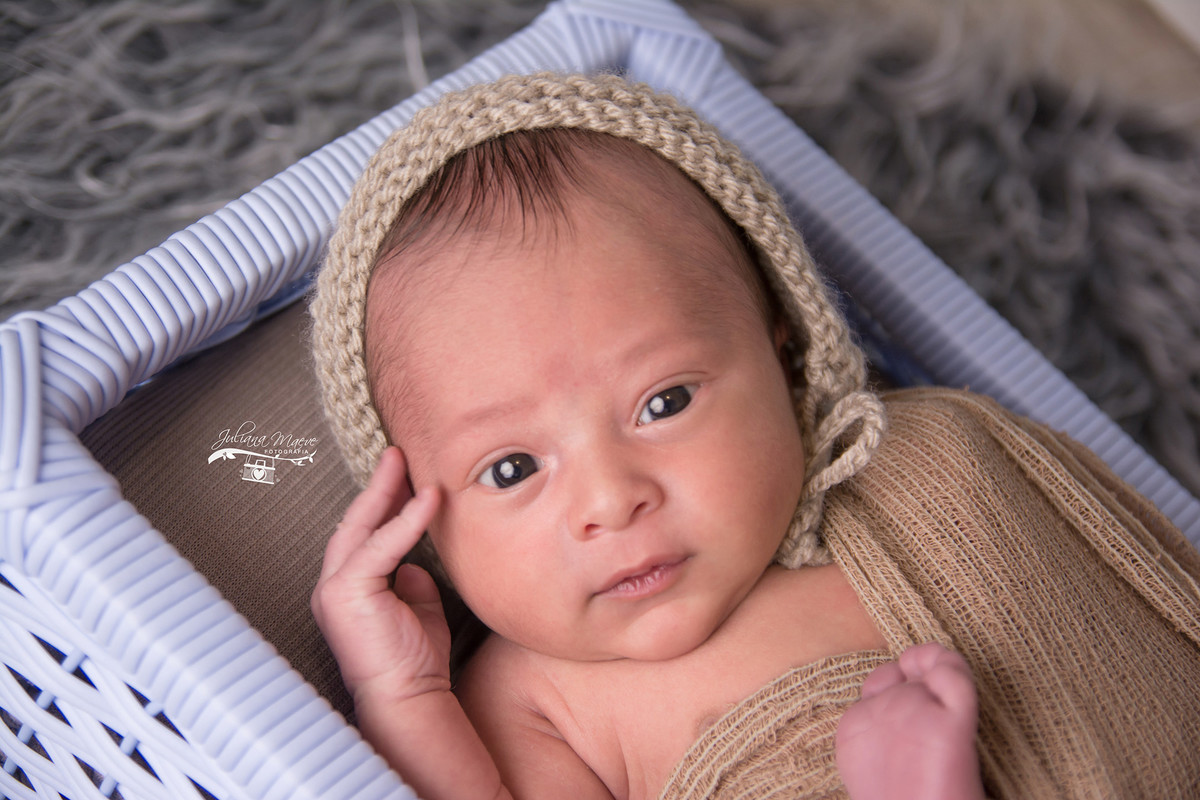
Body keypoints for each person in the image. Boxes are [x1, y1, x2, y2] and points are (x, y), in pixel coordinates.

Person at [310, 73, 1200, 800]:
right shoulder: (534, 699)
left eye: (664, 403)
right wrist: (403, 693)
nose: (610, 500)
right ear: (425, 516)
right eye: (511, 468)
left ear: (784, 345)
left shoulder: (929, 463)